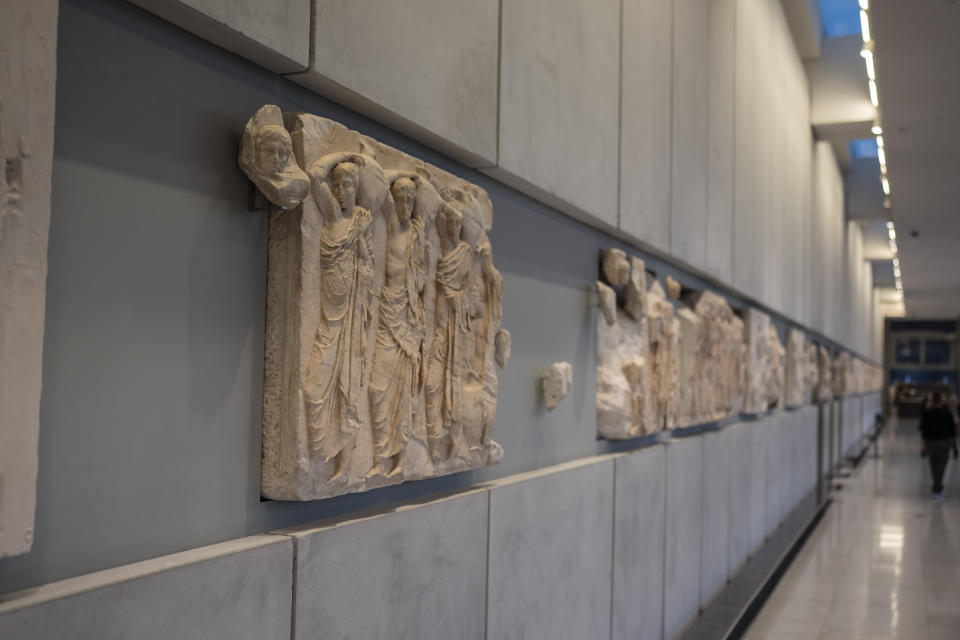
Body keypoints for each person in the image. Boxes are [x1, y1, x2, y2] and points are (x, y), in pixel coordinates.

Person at [918, 392, 957, 500]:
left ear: (932, 402)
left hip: (931, 443)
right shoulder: (947, 413)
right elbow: (953, 431)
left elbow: (923, 431)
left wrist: (923, 445)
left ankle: (937, 486)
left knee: (934, 465)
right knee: (941, 466)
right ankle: (938, 488)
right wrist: (954, 447)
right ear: (941, 402)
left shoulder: (927, 413)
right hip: (944, 443)